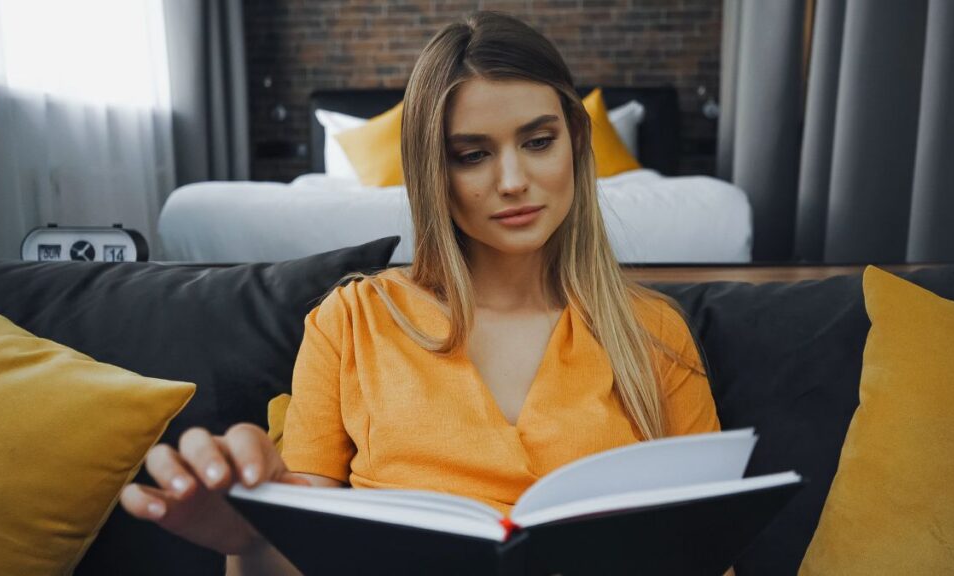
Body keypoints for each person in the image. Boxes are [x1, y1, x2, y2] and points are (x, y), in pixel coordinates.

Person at [121, 11, 728, 575]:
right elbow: (300, 556)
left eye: (538, 142)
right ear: (433, 170)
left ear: (575, 141)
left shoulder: (652, 332)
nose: (513, 182)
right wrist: (250, 536)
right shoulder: (352, 322)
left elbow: (708, 553)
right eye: (472, 155)